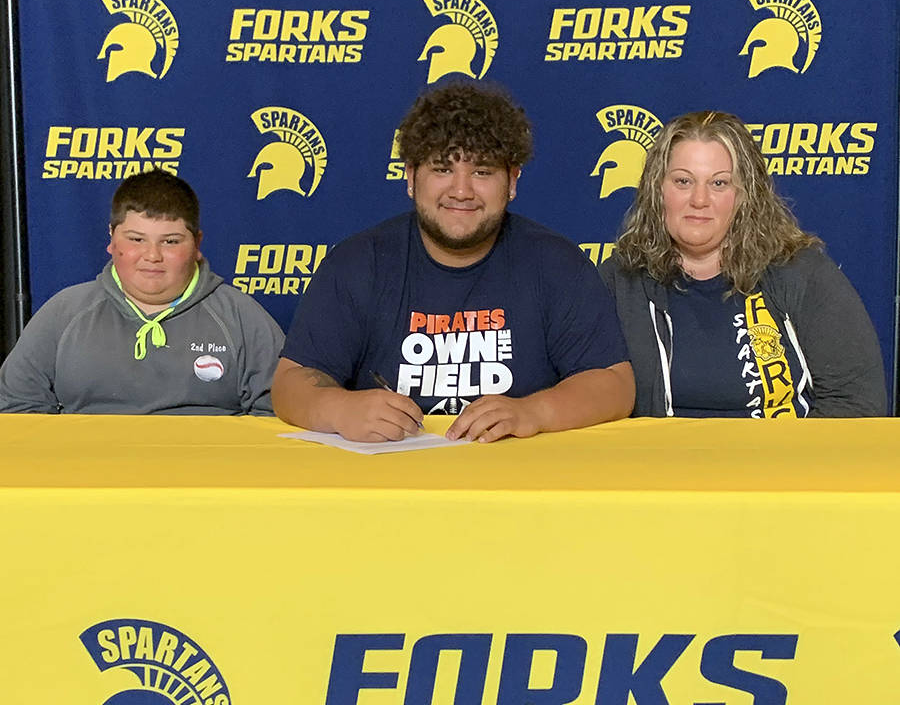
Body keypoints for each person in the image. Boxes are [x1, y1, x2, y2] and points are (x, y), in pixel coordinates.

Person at [273, 81, 634, 441]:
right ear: (411, 177)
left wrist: (533, 412)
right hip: (390, 481)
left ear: (512, 181)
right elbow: (291, 381)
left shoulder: (556, 264)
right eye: (443, 169)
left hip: (517, 481)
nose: (461, 191)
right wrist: (339, 409)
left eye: (482, 172)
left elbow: (614, 383)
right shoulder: (358, 263)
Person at [601, 110, 887, 418]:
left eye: (719, 183)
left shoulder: (800, 271)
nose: (700, 199)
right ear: (657, 189)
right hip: (658, 462)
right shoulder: (619, 279)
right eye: (683, 181)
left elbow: (857, 403)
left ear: (745, 195)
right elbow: (584, 390)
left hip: (780, 462)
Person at [0, 169, 284, 414]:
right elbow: (17, 407)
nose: (152, 256)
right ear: (112, 239)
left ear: (196, 245)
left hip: (203, 473)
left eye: (170, 242)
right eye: (136, 239)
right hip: (88, 472)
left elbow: (281, 412)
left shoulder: (240, 316)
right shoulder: (64, 313)